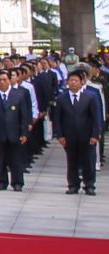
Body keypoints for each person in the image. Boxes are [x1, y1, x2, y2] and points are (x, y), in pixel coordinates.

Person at [54, 65, 103, 195]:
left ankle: (89, 185)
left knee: (88, 161)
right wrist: (60, 135)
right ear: (67, 82)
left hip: (87, 136)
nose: (73, 82)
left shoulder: (90, 96)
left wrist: (95, 134)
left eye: (76, 80)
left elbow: (96, 117)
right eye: (71, 80)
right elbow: (57, 119)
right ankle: (73, 185)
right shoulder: (62, 98)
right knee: (72, 161)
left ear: (82, 82)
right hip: (69, 136)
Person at [0, 66, 32, 191]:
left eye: (4, 79)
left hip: (15, 132)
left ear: (9, 80)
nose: (2, 82)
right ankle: (1, 182)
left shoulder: (19, 94)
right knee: (0, 158)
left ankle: (17, 182)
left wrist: (24, 133)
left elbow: (24, 115)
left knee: (16, 159)